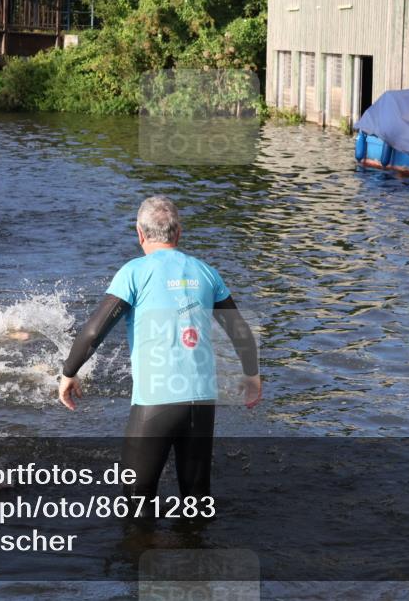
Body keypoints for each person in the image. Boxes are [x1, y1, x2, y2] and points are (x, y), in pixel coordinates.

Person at [58, 195, 261, 512]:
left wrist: (69, 372)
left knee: (136, 505)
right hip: (201, 402)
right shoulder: (206, 272)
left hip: (155, 401)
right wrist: (252, 375)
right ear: (178, 232)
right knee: (197, 502)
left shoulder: (134, 272)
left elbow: (95, 332)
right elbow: (240, 331)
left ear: (139, 233)